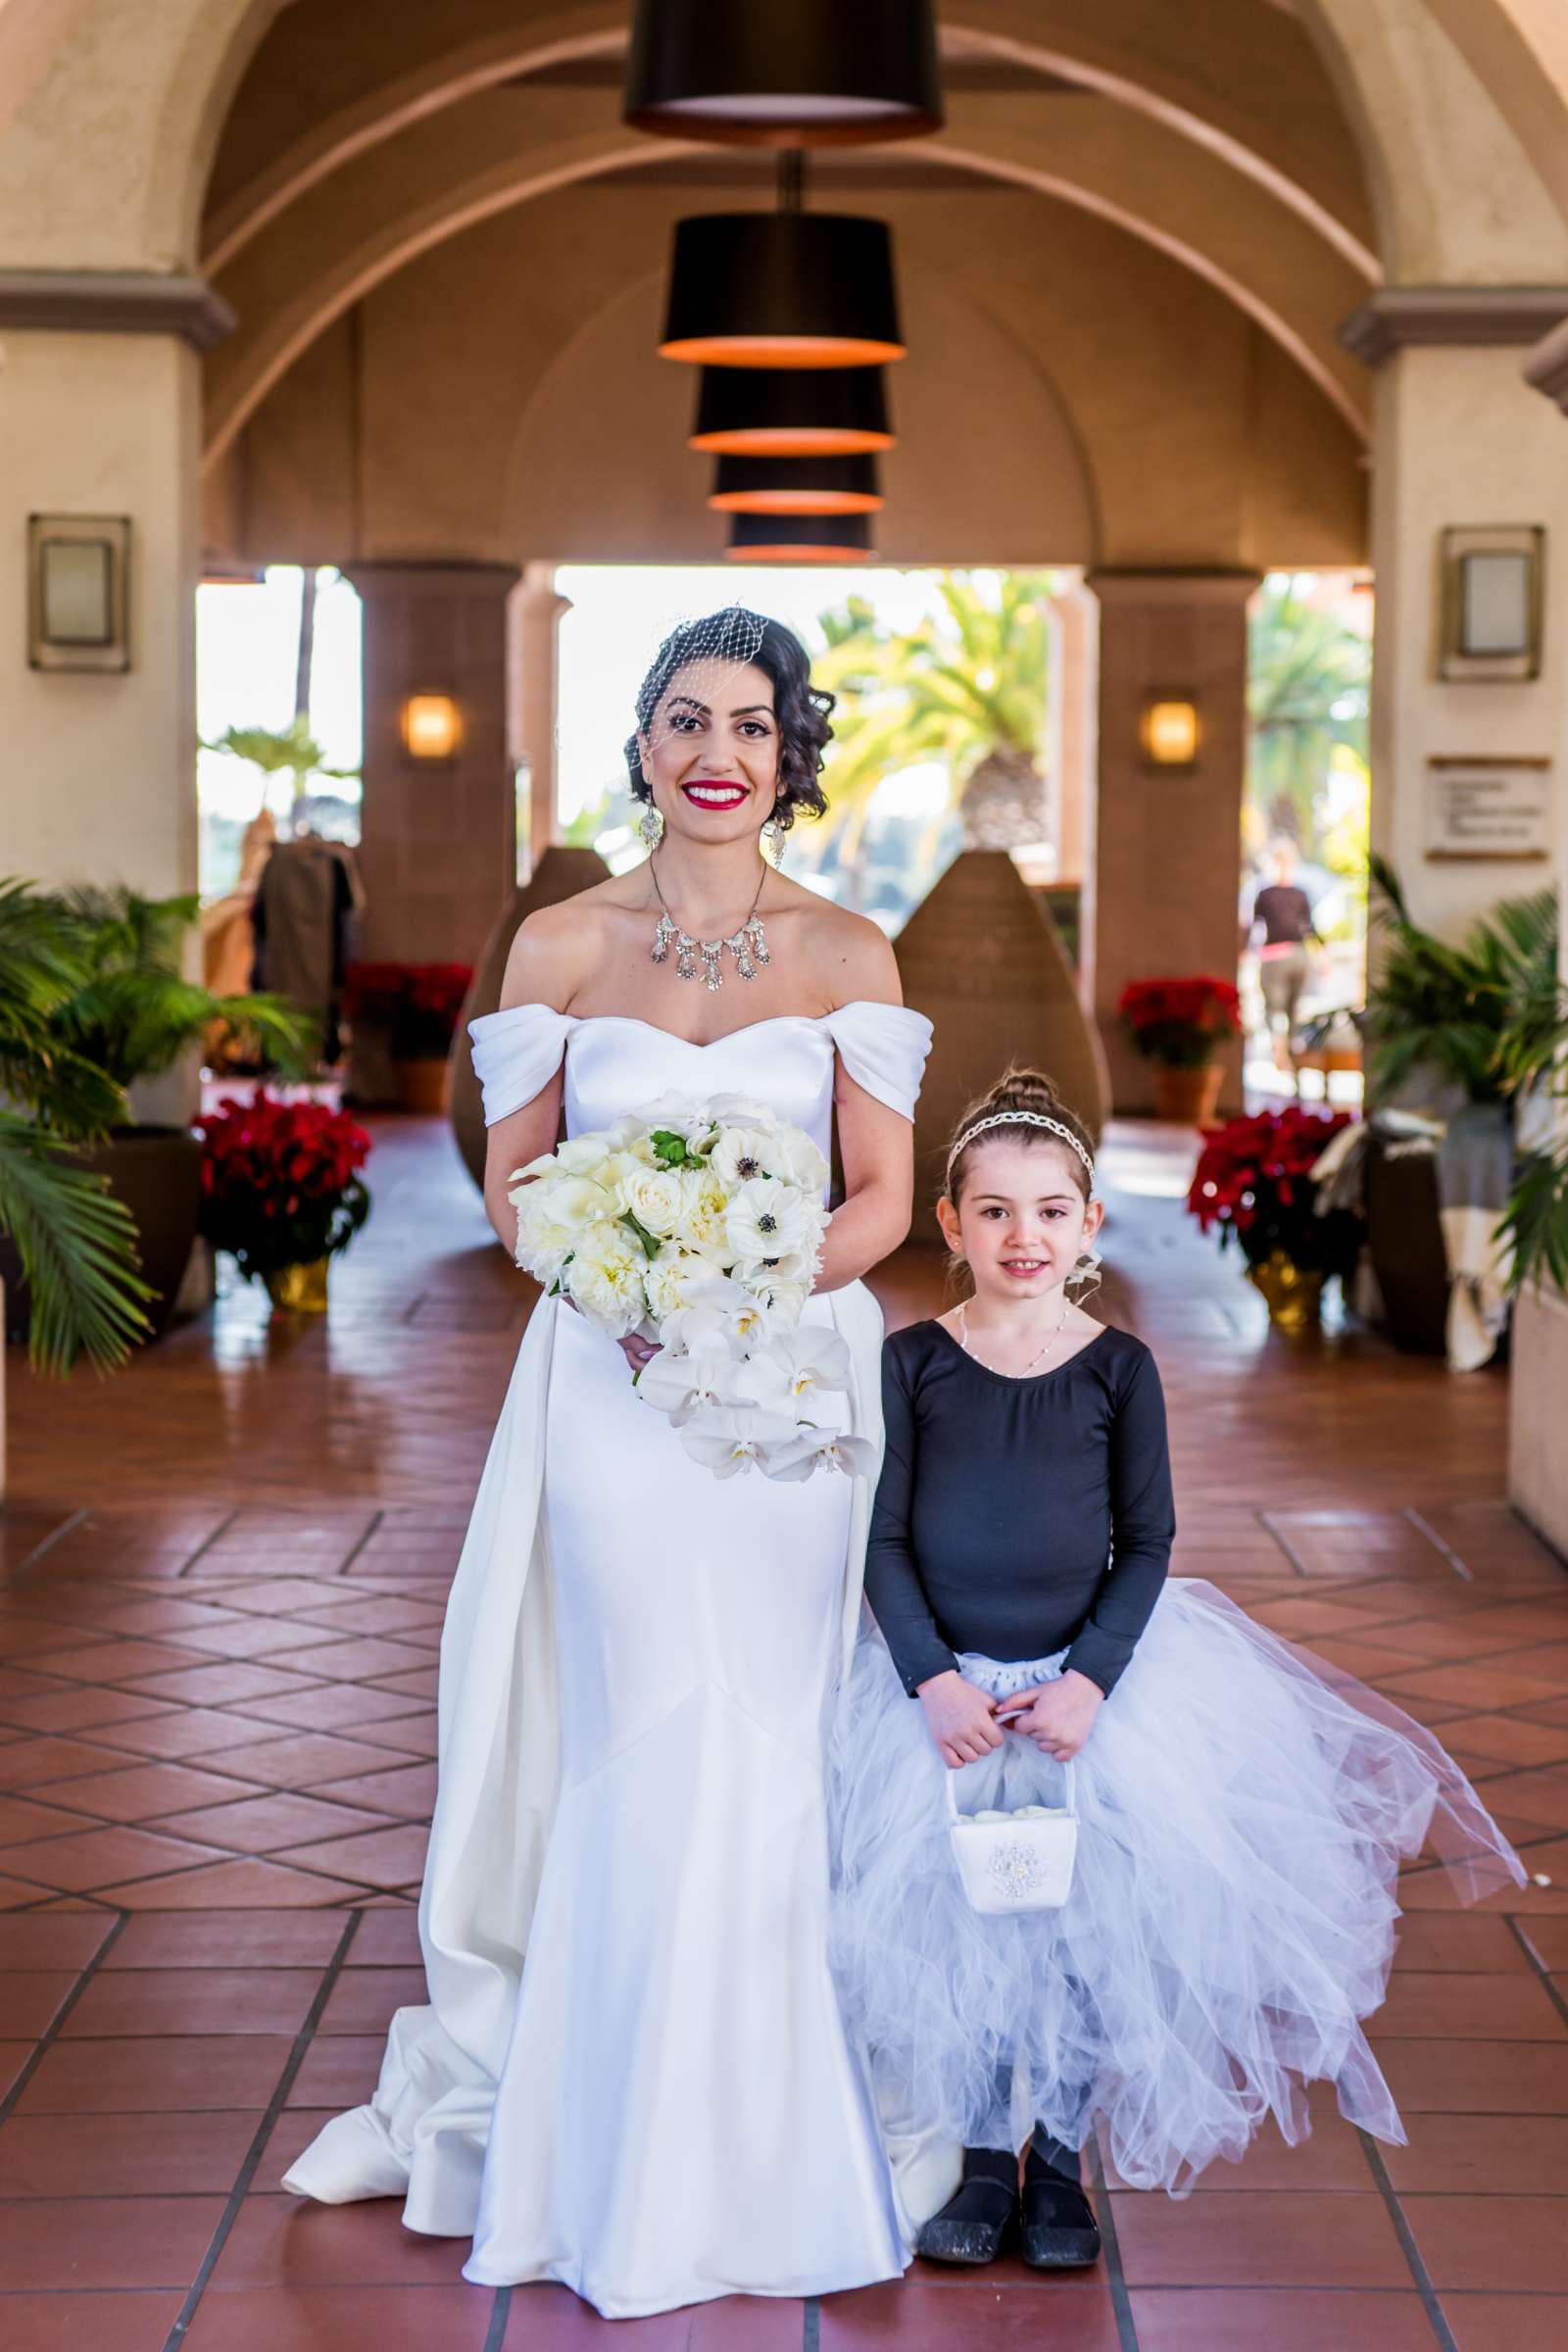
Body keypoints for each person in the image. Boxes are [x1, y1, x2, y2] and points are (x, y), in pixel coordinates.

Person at [279, 609, 936, 2319]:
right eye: (684, 717)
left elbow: (877, 1196)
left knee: (775, 1723)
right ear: (642, 744)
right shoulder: (559, 950)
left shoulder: (853, 952)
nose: (718, 750)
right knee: (641, 1716)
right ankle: (612, 2135)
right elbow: (511, 1192)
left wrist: (748, 1289)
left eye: (754, 722)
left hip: (786, 1389)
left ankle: (768, 2131)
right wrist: (631, 1278)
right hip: (608, 1390)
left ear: (796, 754)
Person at [828, 1066, 1523, 2270]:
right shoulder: (913, 1365)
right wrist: (929, 1678)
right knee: (967, 1921)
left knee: (1082, 1929)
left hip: (1087, 1696)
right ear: (949, 1224)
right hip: (945, 1698)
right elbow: (879, 1539)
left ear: (1089, 1224)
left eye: (1050, 1210)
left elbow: (1145, 1542)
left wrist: (1090, 1681)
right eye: (992, 1210)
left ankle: (1058, 2165)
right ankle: (980, 2160)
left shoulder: (1117, 1370)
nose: (1022, 1236)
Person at [1249, 836, 1323, 1081]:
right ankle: (1278, 1048)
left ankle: (1289, 1050)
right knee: (1273, 1005)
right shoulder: (1265, 893)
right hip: (1273, 956)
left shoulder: (1299, 893)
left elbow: (1309, 926)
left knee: (1292, 1008)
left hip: (1296, 954)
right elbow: (1254, 928)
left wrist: (1321, 953)